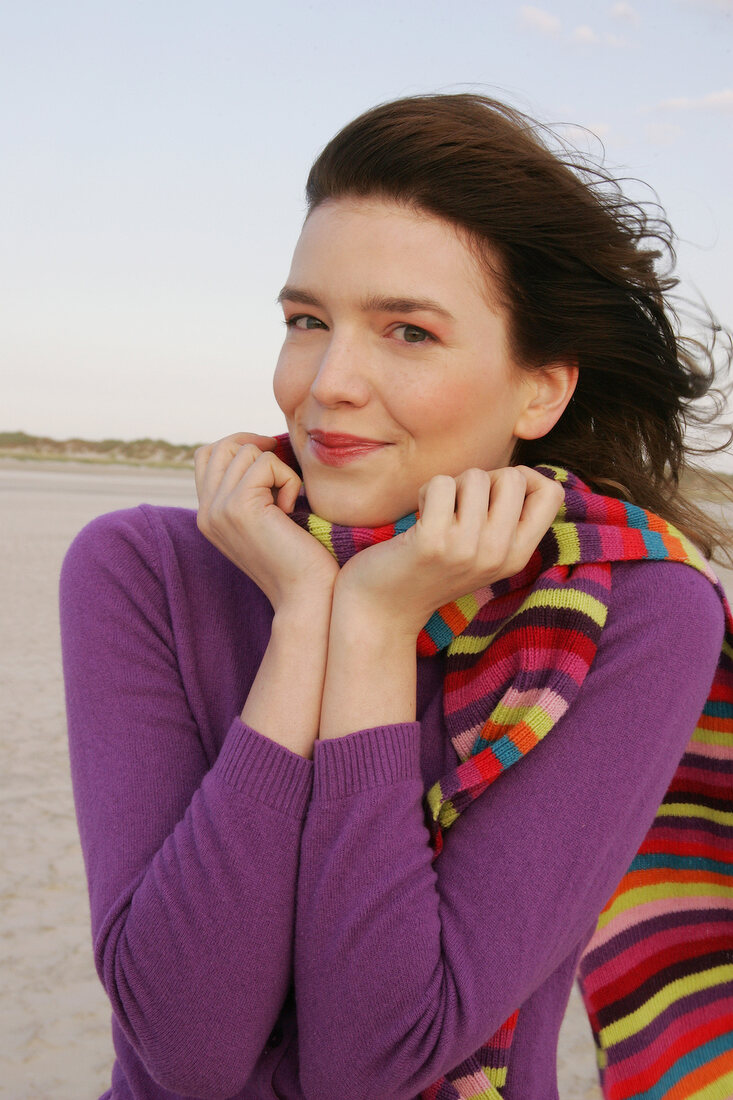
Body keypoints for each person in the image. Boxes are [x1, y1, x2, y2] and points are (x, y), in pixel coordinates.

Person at [60, 93, 733, 1100]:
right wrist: (306, 617)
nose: (328, 380)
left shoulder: (638, 612)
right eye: (306, 320)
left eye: (407, 332)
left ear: (538, 389)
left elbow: (372, 1060)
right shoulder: (145, 569)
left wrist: (374, 627)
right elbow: (186, 1053)